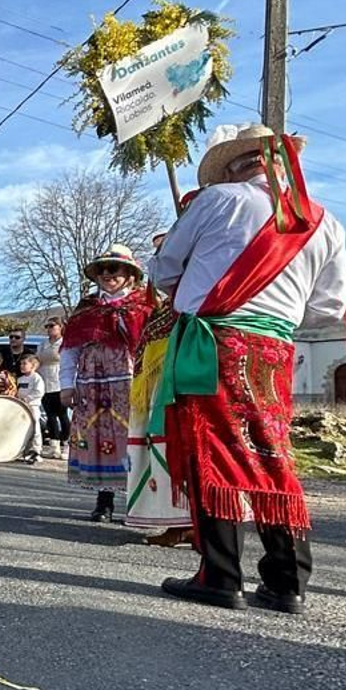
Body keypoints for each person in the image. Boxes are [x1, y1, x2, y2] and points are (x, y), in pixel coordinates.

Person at [149, 124, 346, 612]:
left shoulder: (218, 200)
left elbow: (163, 272)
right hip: (275, 350)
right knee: (270, 450)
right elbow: (331, 306)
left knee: (212, 448)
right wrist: (275, 312)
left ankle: (220, 576)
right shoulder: (324, 221)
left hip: (214, 340)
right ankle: (288, 581)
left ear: (236, 164)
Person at [60, 247, 152, 523]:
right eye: (102, 270)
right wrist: (67, 384)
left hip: (131, 383)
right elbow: (70, 349)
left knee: (134, 439)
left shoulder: (145, 305)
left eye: (114, 269)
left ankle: (139, 504)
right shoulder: (86, 308)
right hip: (93, 386)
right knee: (100, 441)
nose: (108, 275)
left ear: (130, 275)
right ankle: (104, 501)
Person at [122, 219, 197, 545]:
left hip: (186, 387)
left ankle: (197, 524)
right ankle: (175, 520)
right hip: (156, 395)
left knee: (188, 450)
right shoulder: (161, 310)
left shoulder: (197, 303)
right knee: (163, 451)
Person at [36, 316, 67, 458]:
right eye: (47, 326)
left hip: (60, 381)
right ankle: (54, 446)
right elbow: (37, 360)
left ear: (60, 327)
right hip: (44, 382)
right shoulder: (42, 344)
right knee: (50, 416)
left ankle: (65, 444)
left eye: (52, 326)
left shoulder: (65, 343)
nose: (49, 329)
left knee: (62, 414)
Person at [13, 351, 45, 465]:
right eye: (21, 364)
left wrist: (27, 399)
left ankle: (36, 451)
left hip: (32, 407)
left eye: (25, 364)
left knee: (35, 429)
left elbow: (39, 392)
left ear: (33, 365)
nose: (22, 366)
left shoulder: (37, 378)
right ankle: (23, 451)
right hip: (21, 406)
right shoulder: (20, 379)